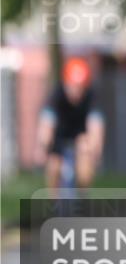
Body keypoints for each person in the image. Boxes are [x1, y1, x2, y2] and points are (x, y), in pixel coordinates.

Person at [36, 57, 105, 190]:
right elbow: (46, 125)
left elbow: (96, 128)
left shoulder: (92, 97)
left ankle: (82, 194)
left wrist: (95, 150)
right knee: (54, 166)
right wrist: (43, 146)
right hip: (59, 137)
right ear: (66, 83)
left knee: (85, 163)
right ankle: (55, 199)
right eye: (73, 86)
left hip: (81, 138)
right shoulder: (56, 96)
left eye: (80, 87)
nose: (77, 91)